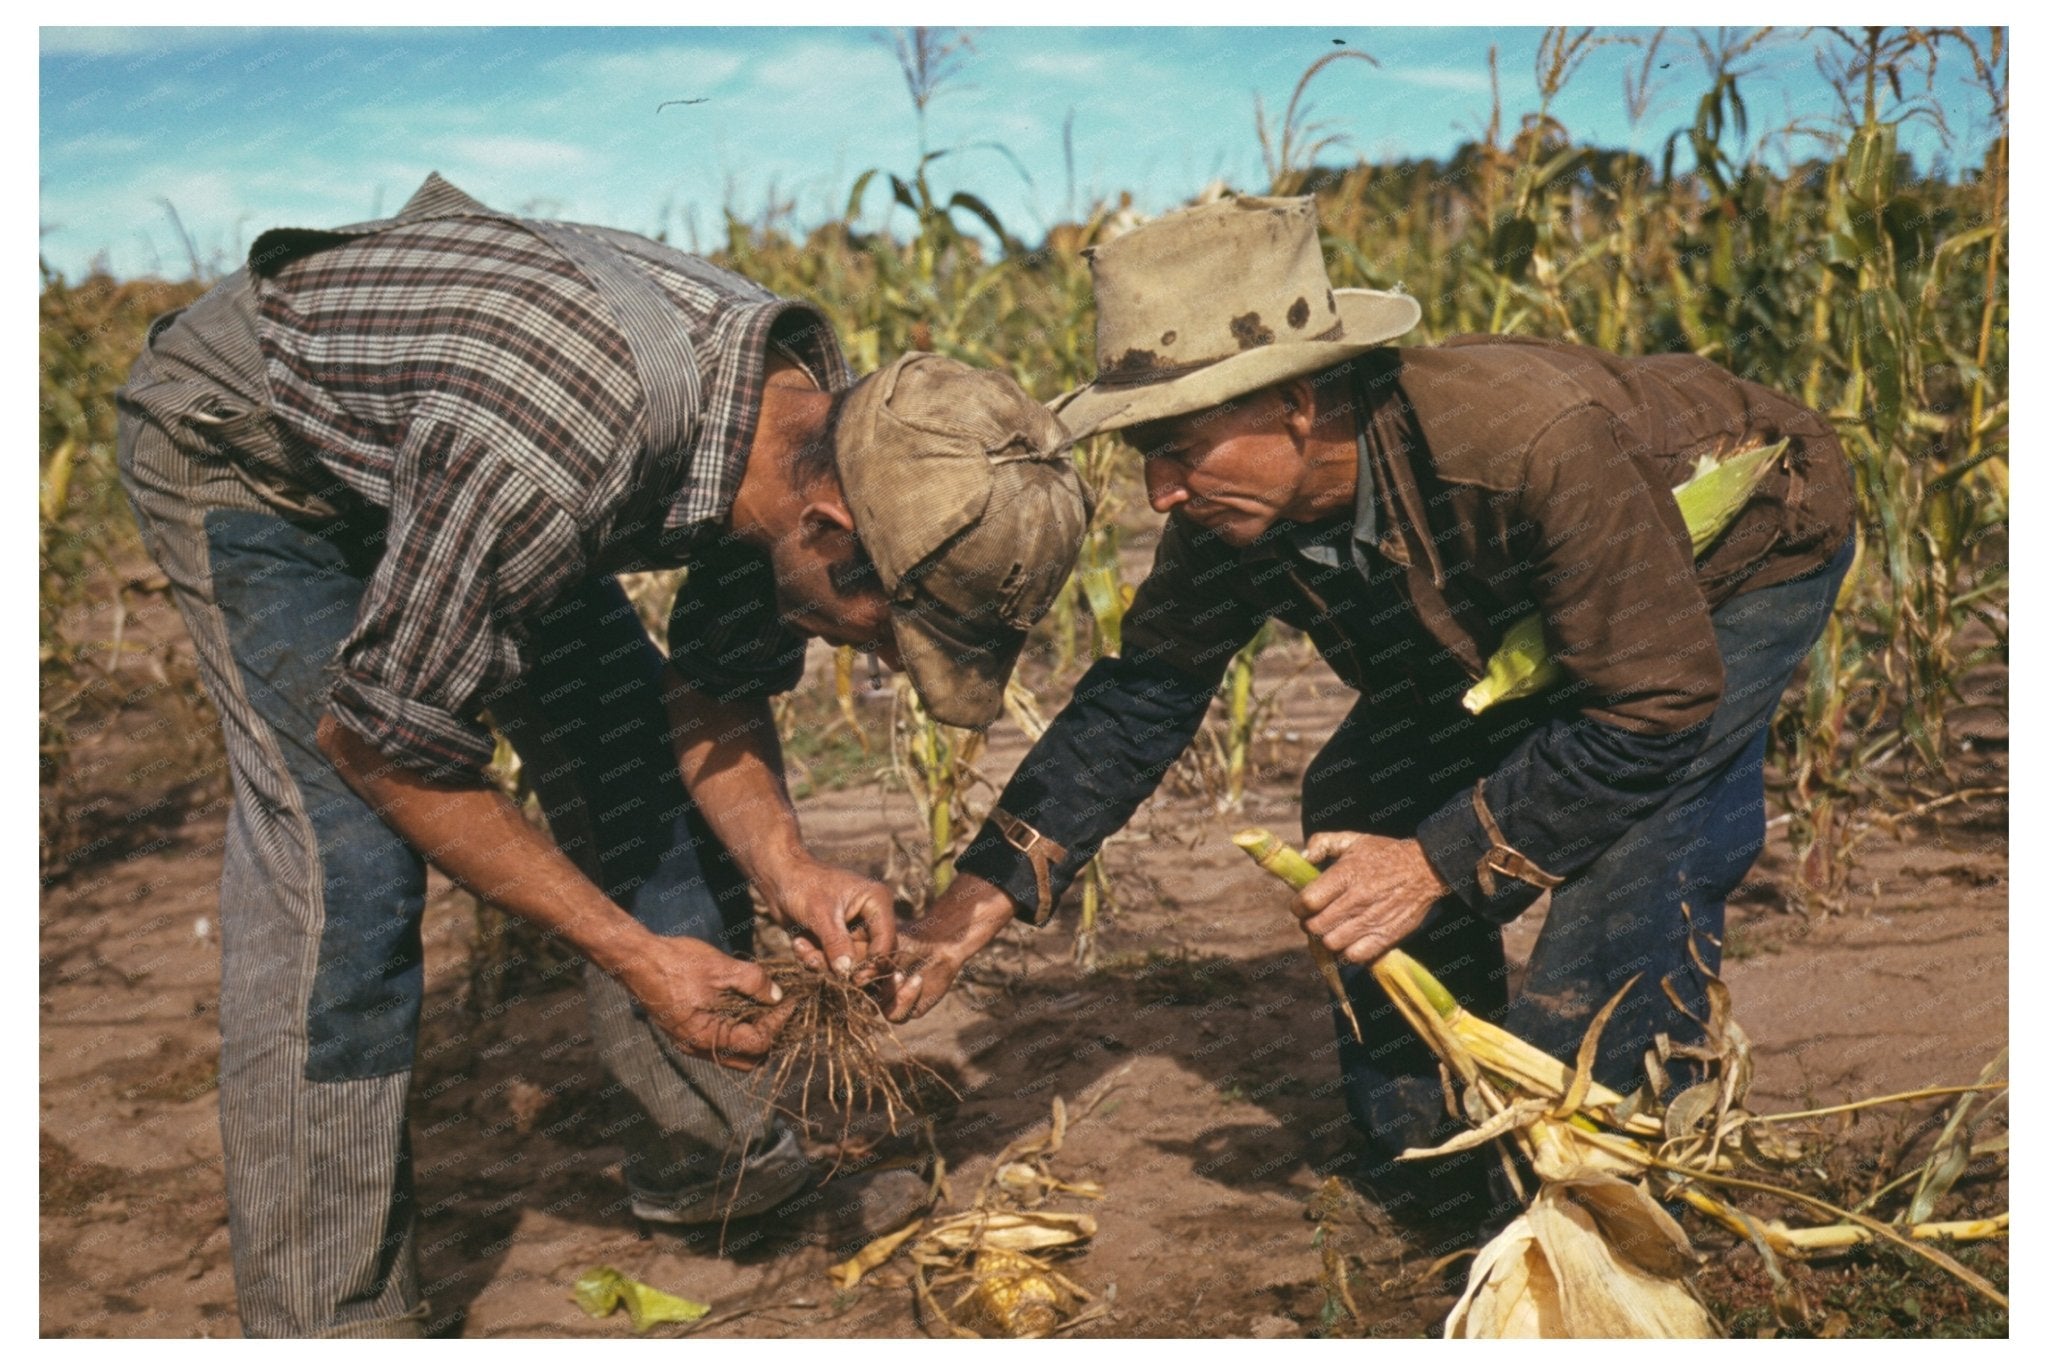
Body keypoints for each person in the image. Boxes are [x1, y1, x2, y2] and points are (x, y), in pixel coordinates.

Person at [116, 172, 1089, 1337]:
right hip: (266, 460)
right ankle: (330, 1317)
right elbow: (382, 744)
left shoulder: (826, 446)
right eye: (886, 627)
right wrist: (635, 952)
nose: (873, 655)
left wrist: (788, 873)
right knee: (346, 867)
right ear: (826, 534)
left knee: (632, 774)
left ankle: (709, 1163)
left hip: (471, 463)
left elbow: (715, 698)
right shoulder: (555, 448)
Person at [885, 194, 1855, 1239]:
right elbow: (1143, 693)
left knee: (1632, 865)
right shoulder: (1224, 521)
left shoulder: (1525, 444)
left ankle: (1613, 1184)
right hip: (1513, 616)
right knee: (1360, 799)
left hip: (1729, 563)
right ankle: (1430, 1152)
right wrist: (977, 898)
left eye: (1178, 448)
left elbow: (1651, 706)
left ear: (1296, 405)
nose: (1160, 493)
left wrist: (1438, 860)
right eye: (1142, 459)